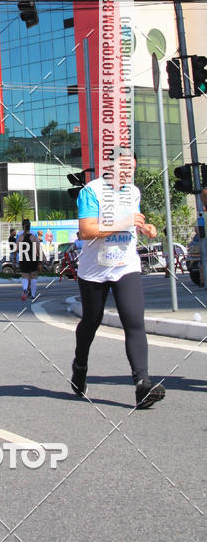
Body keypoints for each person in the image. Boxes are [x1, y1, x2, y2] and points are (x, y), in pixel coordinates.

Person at [71, 148, 166, 409]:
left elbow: (132, 222)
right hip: (95, 269)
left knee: (134, 320)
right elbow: (87, 230)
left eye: (132, 170)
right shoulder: (92, 191)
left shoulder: (133, 192)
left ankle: (142, 384)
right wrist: (125, 223)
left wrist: (144, 227)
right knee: (91, 321)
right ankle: (80, 365)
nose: (129, 174)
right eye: (125, 169)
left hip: (126, 265)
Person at [17, 218, 41, 300]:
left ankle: (25, 289)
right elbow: (38, 248)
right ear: (29, 226)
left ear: (23, 226)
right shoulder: (33, 236)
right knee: (33, 276)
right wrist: (43, 259)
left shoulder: (20, 237)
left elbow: (16, 249)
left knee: (25, 276)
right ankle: (33, 295)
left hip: (24, 258)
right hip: (33, 258)